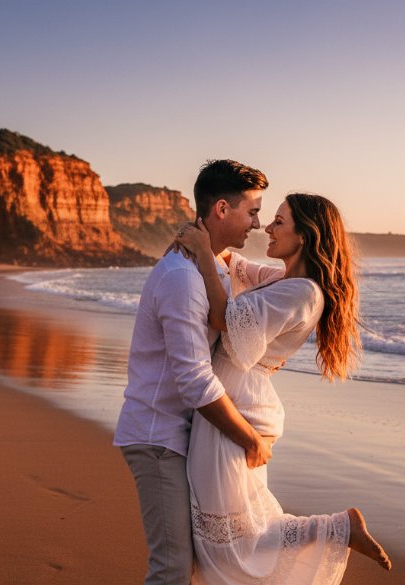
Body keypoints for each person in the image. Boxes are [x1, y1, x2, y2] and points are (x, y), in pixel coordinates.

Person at [174, 193, 391, 584]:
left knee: (227, 544)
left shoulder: (304, 293)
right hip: (235, 401)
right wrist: (205, 234)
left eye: (278, 221)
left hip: (236, 407)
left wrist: (203, 250)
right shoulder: (284, 279)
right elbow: (235, 265)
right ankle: (337, 528)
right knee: (235, 532)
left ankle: (338, 529)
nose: (267, 229)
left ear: (304, 235)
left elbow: (224, 316)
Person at [113, 159, 277, 585]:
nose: (258, 224)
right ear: (222, 209)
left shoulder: (217, 265)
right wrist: (249, 438)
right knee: (171, 570)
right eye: (253, 211)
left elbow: (286, 280)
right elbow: (193, 378)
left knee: (198, 565)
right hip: (157, 436)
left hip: (184, 437)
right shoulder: (181, 277)